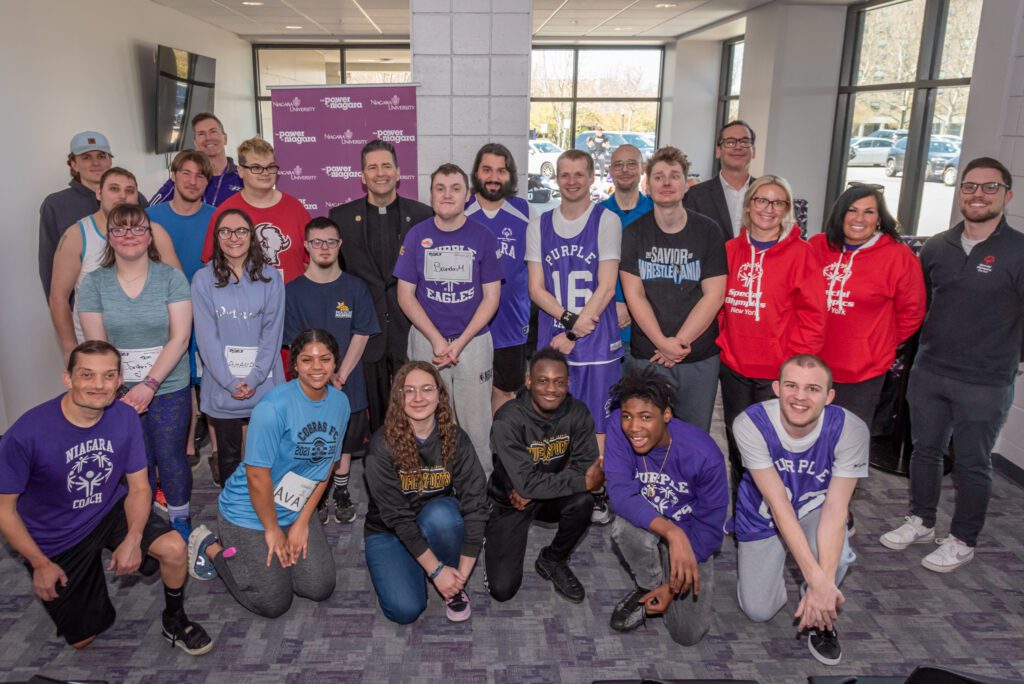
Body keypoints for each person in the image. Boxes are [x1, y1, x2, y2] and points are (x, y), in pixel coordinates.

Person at [0, 340, 212, 655]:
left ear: (119, 380)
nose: (99, 385)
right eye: (87, 375)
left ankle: (175, 619)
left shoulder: (124, 417)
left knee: (173, 547)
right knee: (84, 639)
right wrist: (39, 562)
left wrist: (134, 537)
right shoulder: (26, 434)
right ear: (68, 379)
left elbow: (140, 487)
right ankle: (93, 572)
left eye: (108, 376)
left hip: (109, 508)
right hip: (57, 536)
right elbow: (5, 511)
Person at [880, 157, 1024, 572]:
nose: (978, 194)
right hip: (930, 371)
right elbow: (919, 306)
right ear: (960, 192)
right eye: (970, 186)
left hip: (986, 380)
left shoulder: (1018, 251)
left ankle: (963, 538)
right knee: (925, 451)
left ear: (1007, 195)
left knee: (972, 462)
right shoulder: (938, 247)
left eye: (989, 187)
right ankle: (922, 520)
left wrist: (1011, 357)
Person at [187, 329, 349, 618]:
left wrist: (301, 523)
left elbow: (325, 469)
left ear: (335, 363)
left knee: (319, 586)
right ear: (295, 364)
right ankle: (210, 546)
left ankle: (276, 552)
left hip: (295, 506)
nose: (316, 368)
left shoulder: (340, 404)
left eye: (325, 359)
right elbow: (256, 477)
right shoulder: (273, 407)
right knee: (274, 603)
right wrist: (273, 529)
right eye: (307, 360)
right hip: (249, 511)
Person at [733, 355, 868, 666]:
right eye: (792, 386)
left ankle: (821, 620)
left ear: (829, 396)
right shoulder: (750, 423)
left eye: (812, 388)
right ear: (777, 388)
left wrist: (821, 585)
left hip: (815, 509)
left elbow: (836, 509)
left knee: (839, 554)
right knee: (758, 611)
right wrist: (817, 577)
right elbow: (779, 506)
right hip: (764, 513)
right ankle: (789, 581)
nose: (800, 397)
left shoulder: (850, 429)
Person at [77, 203, 194, 539]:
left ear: (149, 236)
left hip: (168, 384)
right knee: (135, 459)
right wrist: (122, 391)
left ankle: (180, 520)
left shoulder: (171, 277)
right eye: (120, 229)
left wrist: (149, 384)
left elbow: (180, 337)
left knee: (170, 454)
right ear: (110, 238)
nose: (129, 235)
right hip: (117, 391)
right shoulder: (94, 284)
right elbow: (98, 348)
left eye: (138, 228)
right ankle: (142, 522)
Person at [526, 149, 623, 523]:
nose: (571, 180)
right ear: (557, 179)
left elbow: (607, 283)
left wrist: (580, 326)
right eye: (564, 174)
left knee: (597, 425)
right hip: (557, 338)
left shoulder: (606, 220)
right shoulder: (540, 224)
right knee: (553, 422)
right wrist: (569, 323)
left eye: (579, 174)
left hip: (597, 341)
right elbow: (537, 288)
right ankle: (559, 492)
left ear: (592, 177)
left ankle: (596, 493)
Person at [717, 175, 826, 496]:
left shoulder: (801, 255)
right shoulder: (729, 250)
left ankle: (774, 518)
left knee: (774, 451)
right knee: (738, 444)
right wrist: (724, 342)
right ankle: (743, 513)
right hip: (735, 367)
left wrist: (794, 369)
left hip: (778, 373)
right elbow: (716, 303)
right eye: (761, 200)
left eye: (778, 202)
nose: (768, 208)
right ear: (749, 206)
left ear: (787, 209)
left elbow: (814, 318)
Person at [604, 366, 728, 646]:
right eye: (628, 416)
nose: (634, 428)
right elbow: (620, 494)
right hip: (655, 523)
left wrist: (671, 589)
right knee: (624, 529)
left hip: (692, 533)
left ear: (667, 415)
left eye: (646, 417)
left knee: (687, 635)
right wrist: (672, 533)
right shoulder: (617, 427)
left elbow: (710, 529)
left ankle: (664, 574)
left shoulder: (704, 454)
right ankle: (646, 585)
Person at [394, 163, 503, 476]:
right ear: (431, 195)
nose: (447, 195)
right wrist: (438, 339)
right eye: (440, 188)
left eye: (455, 188)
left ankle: (480, 492)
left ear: (467, 195)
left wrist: (461, 342)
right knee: (429, 419)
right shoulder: (417, 236)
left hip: (473, 342)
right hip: (428, 341)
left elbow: (491, 297)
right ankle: (434, 485)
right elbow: (405, 296)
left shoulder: (483, 236)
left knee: (477, 424)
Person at [362, 361, 488, 624]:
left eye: (427, 389)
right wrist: (435, 569)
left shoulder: (455, 438)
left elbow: (476, 503)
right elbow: (397, 519)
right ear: (398, 397)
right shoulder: (380, 446)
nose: (418, 398)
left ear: (439, 395)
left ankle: (448, 582)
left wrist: (460, 576)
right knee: (405, 611)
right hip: (390, 531)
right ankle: (425, 566)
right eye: (409, 391)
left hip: (435, 520)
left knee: (444, 515)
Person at [620, 146, 727, 432]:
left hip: (698, 358)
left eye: (674, 176)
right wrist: (661, 343)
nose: (666, 183)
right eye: (658, 177)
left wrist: (677, 344)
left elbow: (714, 294)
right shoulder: (632, 232)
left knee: (693, 438)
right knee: (645, 435)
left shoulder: (709, 231)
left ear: (686, 183)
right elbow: (635, 295)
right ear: (648, 184)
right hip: (648, 355)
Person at [329, 140, 433, 432]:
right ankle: (381, 469)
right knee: (374, 416)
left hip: (410, 330)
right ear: (362, 176)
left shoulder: (423, 217)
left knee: (415, 410)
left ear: (399, 172)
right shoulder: (341, 218)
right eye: (372, 167)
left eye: (386, 165)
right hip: (365, 332)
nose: (380, 173)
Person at [485, 347, 603, 604]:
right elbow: (526, 483)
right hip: (510, 499)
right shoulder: (508, 418)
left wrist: (536, 490)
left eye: (559, 382)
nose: (551, 389)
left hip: (547, 494)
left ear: (568, 384)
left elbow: (589, 468)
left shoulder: (578, 412)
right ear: (528, 381)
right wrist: (578, 481)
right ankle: (490, 535)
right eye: (543, 381)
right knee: (502, 590)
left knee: (584, 502)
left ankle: (553, 559)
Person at [284, 217, 380, 524]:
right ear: (306, 247)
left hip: (346, 383)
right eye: (317, 242)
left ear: (339, 245)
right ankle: (317, 494)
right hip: (308, 386)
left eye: (330, 242)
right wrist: (318, 376)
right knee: (314, 441)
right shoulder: (293, 291)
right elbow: (295, 343)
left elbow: (362, 333)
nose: (324, 248)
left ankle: (340, 492)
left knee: (345, 442)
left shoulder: (355, 287)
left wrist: (340, 375)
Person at [809, 185, 925, 426]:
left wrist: (877, 343)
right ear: (840, 214)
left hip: (862, 371)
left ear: (879, 218)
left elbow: (912, 313)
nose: (859, 218)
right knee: (806, 439)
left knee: (848, 443)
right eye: (852, 210)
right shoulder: (817, 246)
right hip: (812, 364)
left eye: (869, 211)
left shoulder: (898, 257)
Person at [192, 209, 285, 487]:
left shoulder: (270, 277)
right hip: (222, 383)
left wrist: (255, 377)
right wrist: (230, 382)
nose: (234, 237)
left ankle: (267, 513)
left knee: (266, 455)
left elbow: (272, 332)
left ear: (251, 236)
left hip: (265, 380)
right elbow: (207, 338)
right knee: (229, 457)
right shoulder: (202, 279)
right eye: (225, 231)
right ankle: (233, 519)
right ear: (216, 236)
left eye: (241, 231)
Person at [49, 168, 180, 364]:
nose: (122, 196)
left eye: (130, 190)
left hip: (151, 351)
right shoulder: (76, 235)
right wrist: (69, 347)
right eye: (114, 189)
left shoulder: (155, 232)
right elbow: (58, 296)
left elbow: (178, 290)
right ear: (99, 193)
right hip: (96, 351)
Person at [147, 150, 219, 470]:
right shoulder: (150, 217)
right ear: (173, 175)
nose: (193, 181)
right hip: (165, 313)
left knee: (213, 378)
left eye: (200, 176)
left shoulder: (217, 216)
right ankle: (188, 448)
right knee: (180, 381)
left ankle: (219, 452)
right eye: (186, 173)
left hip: (210, 311)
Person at [465, 143, 531, 413]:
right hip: (468, 328)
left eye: (501, 171)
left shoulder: (525, 213)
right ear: (476, 173)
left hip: (511, 326)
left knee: (505, 394)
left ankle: (501, 454)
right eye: (487, 169)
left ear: (511, 175)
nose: (493, 177)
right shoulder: (460, 210)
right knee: (470, 395)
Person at [202, 137, 310, 284]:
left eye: (270, 167)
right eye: (256, 167)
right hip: (244, 303)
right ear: (240, 171)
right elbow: (212, 264)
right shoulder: (225, 213)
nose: (265, 173)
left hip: (291, 301)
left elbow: (311, 261)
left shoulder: (296, 209)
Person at [39, 131, 118, 299]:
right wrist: (63, 312)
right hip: (82, 311)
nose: (96, 162)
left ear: (110, 161)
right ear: (73, 164)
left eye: (102, 156)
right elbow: (48, 265)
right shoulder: (55, 205)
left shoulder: (132, 197)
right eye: (86, 157)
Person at [601, 143, 655, 363]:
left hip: (649, 324)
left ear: (642, 168)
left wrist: (633, 306)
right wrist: (615, 301)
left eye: (632, 164)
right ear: (611, 171)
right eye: (618, 165)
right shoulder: (598, 213)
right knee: (610, 394)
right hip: (607, 320)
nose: (624, 170)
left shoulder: (655, 212)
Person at [683, 120, 757, 242]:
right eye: (730, 142)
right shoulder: (695, 196)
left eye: (744, 142)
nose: (738, 147)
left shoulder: (766, 193)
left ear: (753, 151)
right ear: (718, 151)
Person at [150, 113, 243, 206]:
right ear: (195, 143)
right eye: (201, 134)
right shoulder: (184, 178)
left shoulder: (242, 176)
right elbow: (149, 212)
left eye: (213, 131)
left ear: (225, 138)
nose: (208, 138)